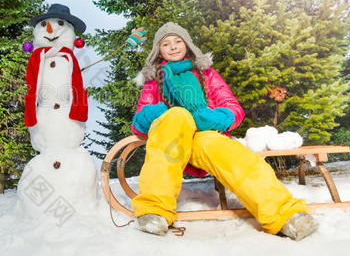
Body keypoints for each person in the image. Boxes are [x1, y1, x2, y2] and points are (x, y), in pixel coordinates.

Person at [130, 22, 317, 240]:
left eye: (178, 41)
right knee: (176, 116)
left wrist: (212, 118)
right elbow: (138, 123)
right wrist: (159, 112)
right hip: (170, 139)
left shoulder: (206, 73)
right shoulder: (153, 81)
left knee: (234, 156)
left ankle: (285, 213)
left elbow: (233, 109)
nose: (173, 47)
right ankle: (154, 210)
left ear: (187, 44)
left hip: (203, 136)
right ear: (158, 51)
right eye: (166, 44)